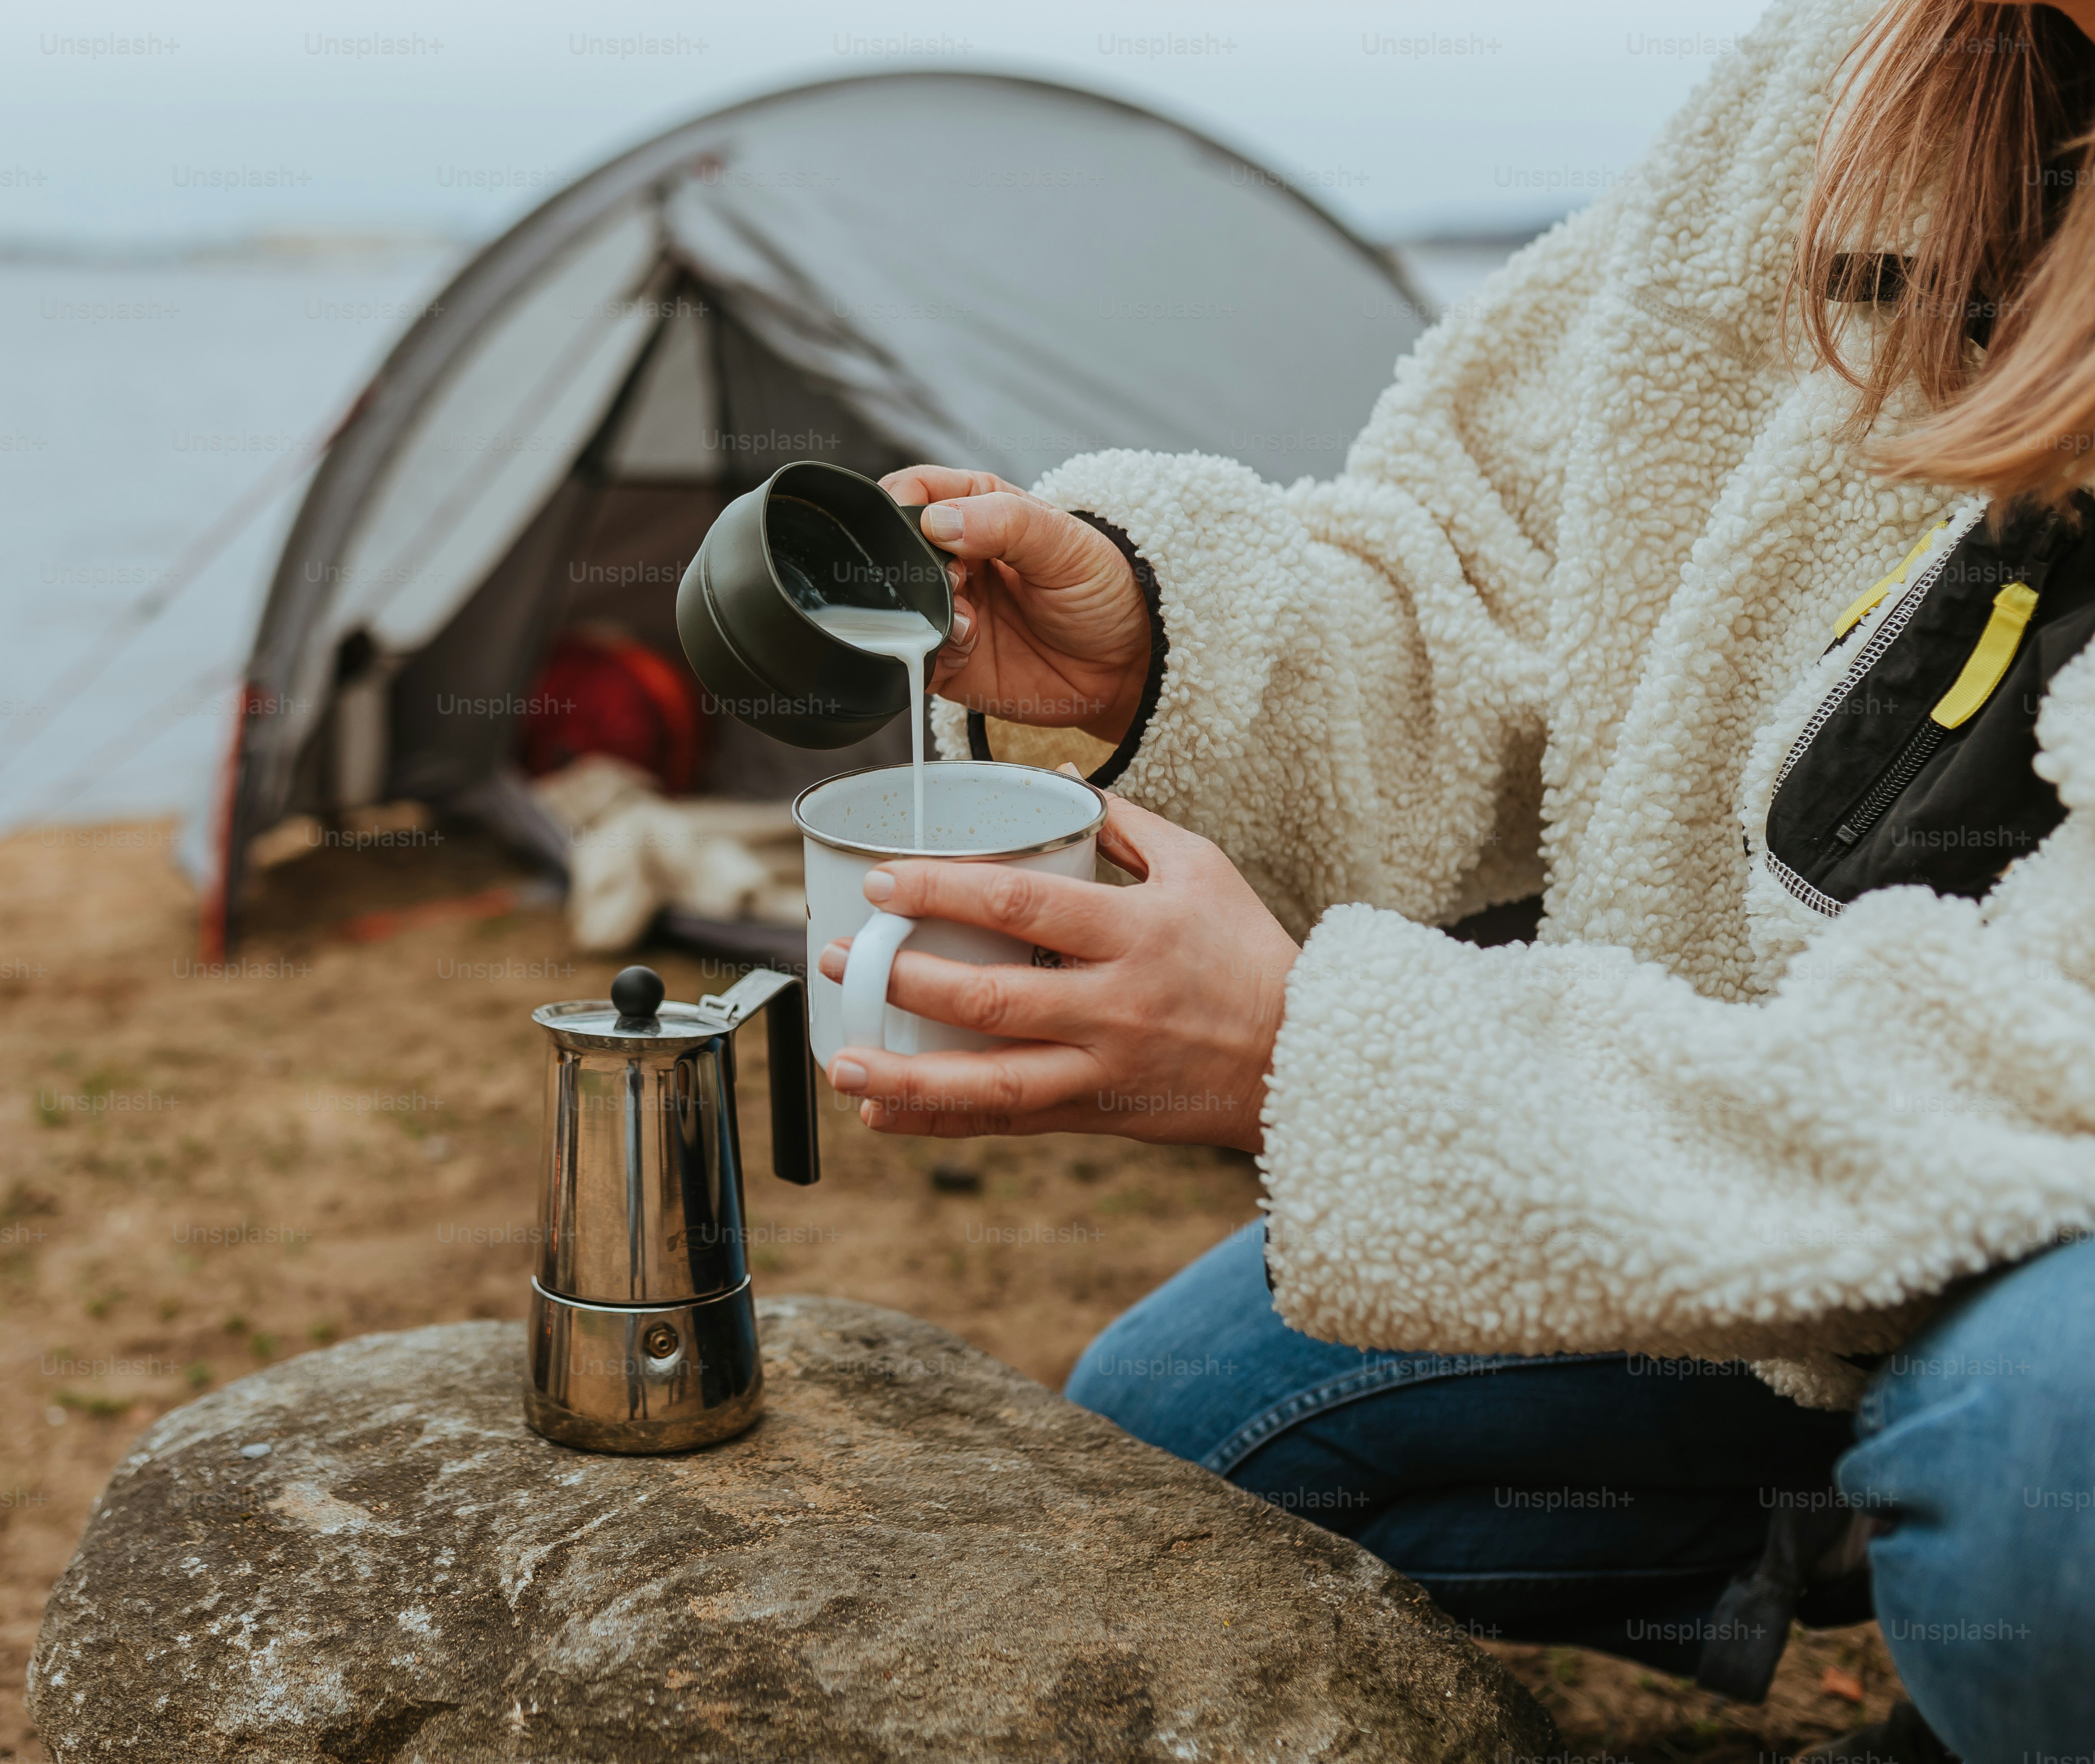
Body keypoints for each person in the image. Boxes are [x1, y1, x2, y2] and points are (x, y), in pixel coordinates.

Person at [822, 2, 2095, 1758]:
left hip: (2046, 1203)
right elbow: (1509, 570)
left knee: (2055, 1459)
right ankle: (1857, 1504)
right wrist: (1151, 644)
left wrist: (1311, 1055)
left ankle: (2000, 1623)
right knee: (1174, 1443)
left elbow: (2056, 1058)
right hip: (1721, 1145)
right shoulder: (1861, 73)